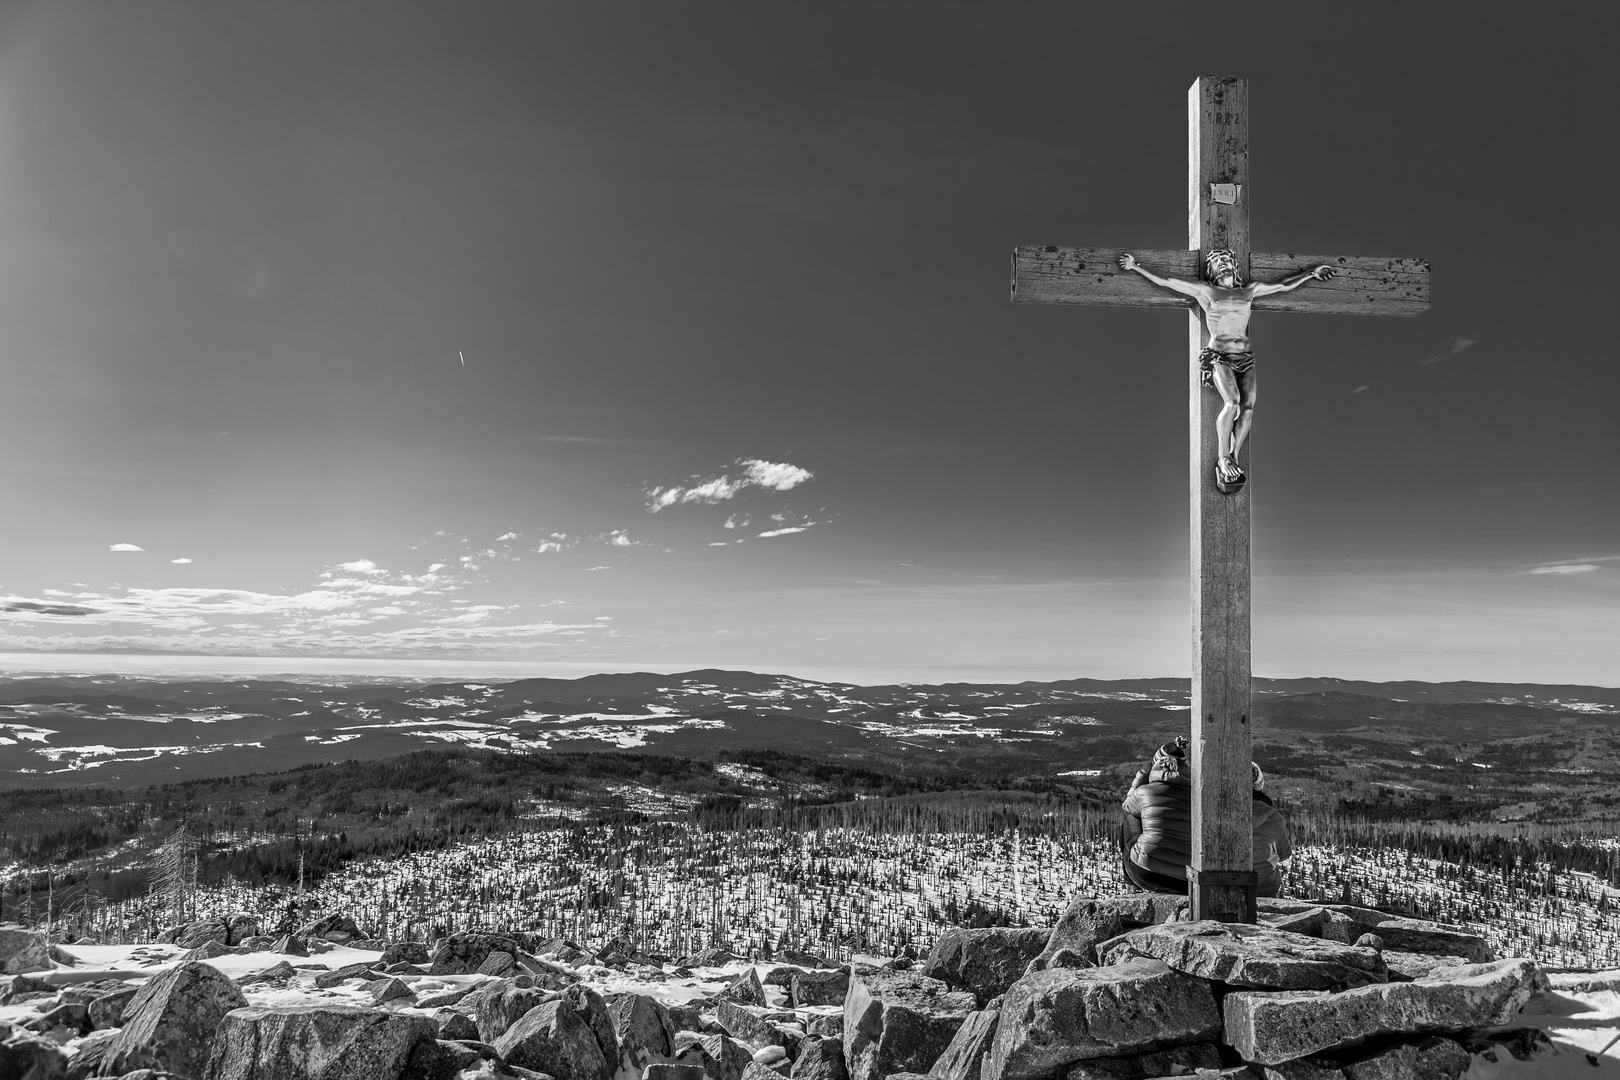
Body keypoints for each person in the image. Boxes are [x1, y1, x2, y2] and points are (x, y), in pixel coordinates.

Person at [1117, 250, 1336, 490]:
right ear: (1211, 270)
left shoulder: (1249, 290)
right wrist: (1135, 266)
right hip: (1219, 355)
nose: (1223, 265)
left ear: (1234, 265)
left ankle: (1234, 455)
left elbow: (1283, 285)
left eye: (1226, 260)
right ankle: (1222, 457)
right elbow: (1167, 282)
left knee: (1249, 408)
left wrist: (1310, 273)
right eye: (1217, 262)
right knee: (1232, 403)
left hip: (1246, 356)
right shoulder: (1206, 290)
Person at [1120, 737, 1293, 896]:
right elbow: (1284, 854)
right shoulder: (1199, 799)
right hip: (1192, 878)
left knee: (1130, 819)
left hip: (1148, 871)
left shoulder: (1212, 806)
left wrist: (1144, 774)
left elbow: (1127, 806)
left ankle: (1130, 884)